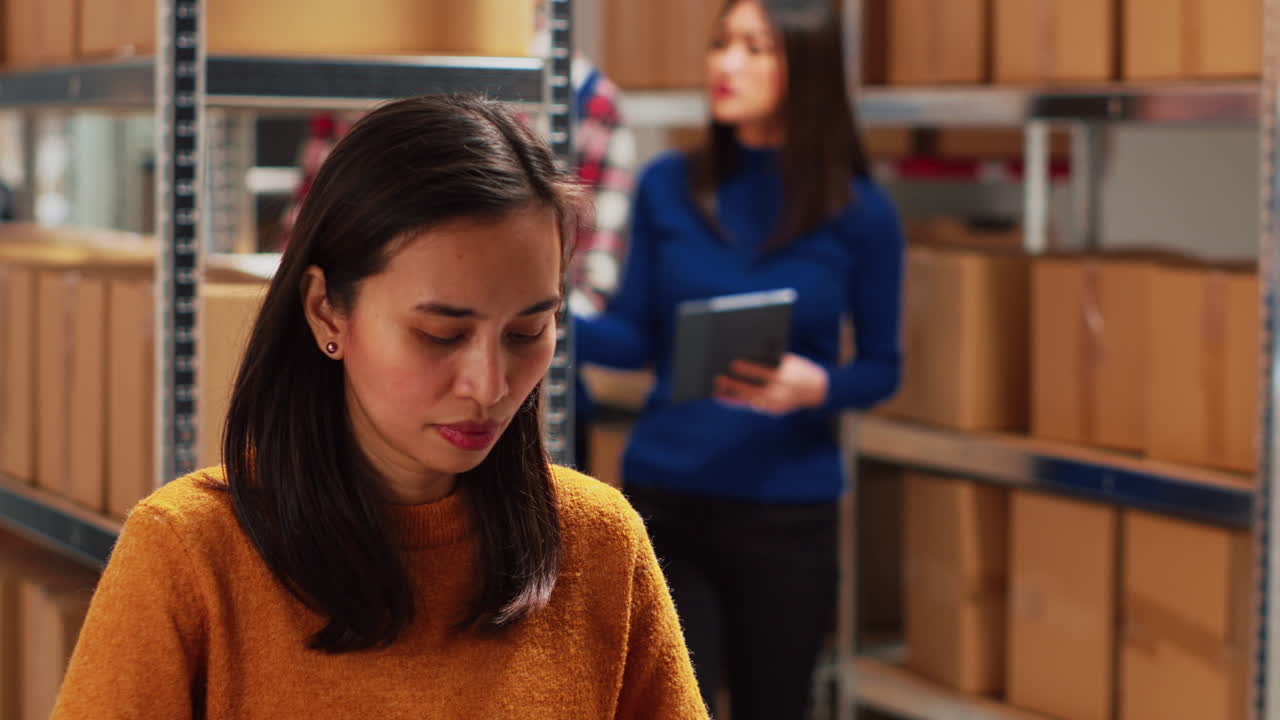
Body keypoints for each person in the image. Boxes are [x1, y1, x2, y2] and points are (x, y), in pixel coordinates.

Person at [53, 95, 707, 719]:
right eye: (441, 335)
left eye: (527, 333)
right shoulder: (188, 555)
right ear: (324, 310)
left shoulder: (600, 545)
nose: (488, 384)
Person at [575, 0, 904, 717]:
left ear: (808, 66)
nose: (726, 64)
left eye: (756, 49)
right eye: (722, 43)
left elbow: (883, 367)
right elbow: (633, 338)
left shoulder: (863, 213)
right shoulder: (668, 185)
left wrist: (817, 387)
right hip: (668, 500)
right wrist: (542, 315)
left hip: (788, 515)